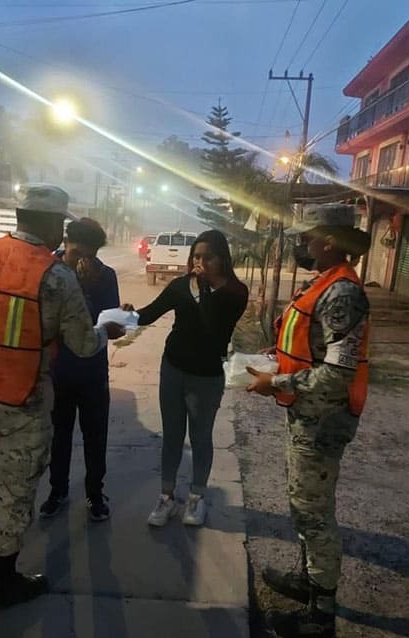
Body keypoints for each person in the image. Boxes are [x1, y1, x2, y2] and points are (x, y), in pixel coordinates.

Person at [0, 185, 125, 612]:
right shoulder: (55, 276)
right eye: (61, 223)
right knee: (13, 492)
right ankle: (2, 583)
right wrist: (107, 332)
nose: (62, 231)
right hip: (19, 399)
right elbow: (84, 346)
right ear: (49, 223)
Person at [245, 204, 371, 638]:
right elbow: (308, 344)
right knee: (303, 506)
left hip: (323, 420)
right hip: (306, 414)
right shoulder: (325, 282)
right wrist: (271, 358)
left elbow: (338, 371)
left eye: (309, 236)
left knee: (315, 515)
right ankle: (309, 581)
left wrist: (276, 379)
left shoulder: (343, 293)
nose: (303, 243)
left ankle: (321, 616)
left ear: (330, 241)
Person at [125, 229, 248, 527]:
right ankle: (166, 497)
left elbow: (213, 328)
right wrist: (126, 315)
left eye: (208, 257)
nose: (201, 262)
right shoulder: (181, 286)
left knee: (201, 437)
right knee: (172, 436)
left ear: (222, 259)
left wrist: (203, 287)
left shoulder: (235, 292)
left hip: (206, 377)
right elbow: (149, 314)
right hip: (173, 369)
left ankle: (196, 497)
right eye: (197, 256)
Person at [40, 218, 120, 522]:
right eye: (77, 254)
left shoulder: (105, 276)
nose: (84, 262)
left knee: (95, 436)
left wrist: (92, 290)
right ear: (65, 243)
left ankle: (95, 494)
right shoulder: (50, 272)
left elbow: (111, 323)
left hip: (93, 372)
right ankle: (57, 490)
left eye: (91, 256)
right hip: (58, 371)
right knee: (59, 436)